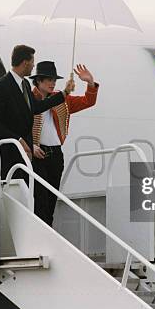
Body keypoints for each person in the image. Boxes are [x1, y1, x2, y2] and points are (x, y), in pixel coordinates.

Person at [0, 45, 74, 179]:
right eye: (32, 62)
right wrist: (18, 139)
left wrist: (65, 93)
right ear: (25, 63)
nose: (33, 66)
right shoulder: (0, 86)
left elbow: (36, 107)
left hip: (25, 155)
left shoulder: (25, 84)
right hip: (10, 153)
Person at [30, 62, 99, 226]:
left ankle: (48, 231)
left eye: (54, 79)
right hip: (37, 155)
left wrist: (90, 83)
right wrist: (30, 144)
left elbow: (88, 101)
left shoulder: (62, 100)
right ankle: (41, 232)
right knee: (40, 199)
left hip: (55, 154)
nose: (53, 83)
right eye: (49, 79)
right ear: (38, 81)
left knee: (52, 198)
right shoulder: (29, 99)